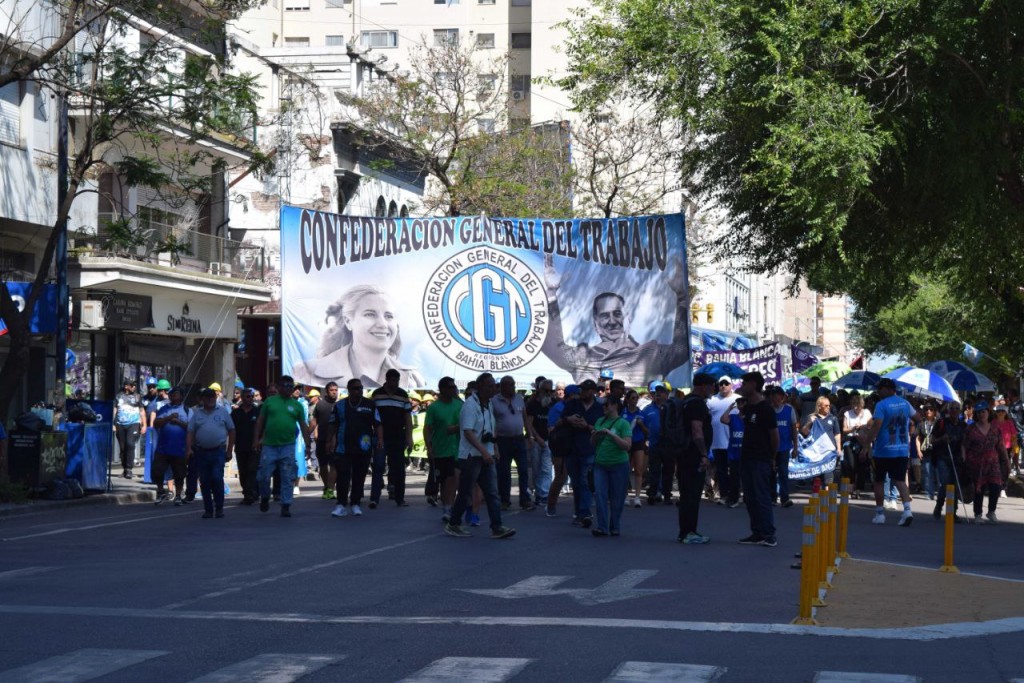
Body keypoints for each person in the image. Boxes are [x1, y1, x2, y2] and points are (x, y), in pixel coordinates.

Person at [541, 255, 690, 386]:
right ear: (595, 325)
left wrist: (682, 298)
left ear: (628, 317)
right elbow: (554, 348)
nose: (612, 321)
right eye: (605, 316)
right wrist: (551, 295)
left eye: (617, 314)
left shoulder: (652, 352)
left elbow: (681, 351)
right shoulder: (582, 356)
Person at [291, 285, 424, 390]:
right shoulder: (306, 371)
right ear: (348, 321)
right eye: (370, 314)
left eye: (389, 316)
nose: (383, 324)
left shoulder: (412, 379)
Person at [444, 372, 516, 539]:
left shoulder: (488, 404)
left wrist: (494, 448)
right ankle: (454, 524)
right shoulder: (470, 405)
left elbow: (490, 429)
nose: (494, 389)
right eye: (490, 386)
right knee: (465, 491)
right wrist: (484, 452)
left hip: (485, 454)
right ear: (481, 387)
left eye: (494, 385)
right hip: (471, 456)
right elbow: (468, 432)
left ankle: (497, 527)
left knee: (491, 492)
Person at [858, 377, 921, 527]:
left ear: (887, 389)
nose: (878, 392)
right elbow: (918, 417)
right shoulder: (905, 403)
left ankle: (880, 514)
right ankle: (907, 511)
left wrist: (866, 446)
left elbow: (876, 426)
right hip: (901, 449)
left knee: (879, 480)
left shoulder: (881, 405)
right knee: (899, 480)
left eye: (880, 389)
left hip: (884, 449)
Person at [254, 375, 312, 518]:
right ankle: (265, 497)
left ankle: (286, 505)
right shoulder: (270, 402)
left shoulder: (297, 405)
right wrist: (256, 439)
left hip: (288, 446)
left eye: (290, 386)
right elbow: (260, 421)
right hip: (269, 446)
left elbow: (304, 426)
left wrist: (308, 445)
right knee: (263, 476)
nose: (288, 389)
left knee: (287, 477)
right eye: (285, 386)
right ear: (279, 387)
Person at [671, 373, 715, 544]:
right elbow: (697, 431)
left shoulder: (686, 401)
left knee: (687, 493)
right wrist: (704, 454)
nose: (713, 388)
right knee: (692, 494)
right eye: (711, 385)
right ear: (703, 385)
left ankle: (686, 531)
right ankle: (688, 532)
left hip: (683, 453)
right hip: (692, 455)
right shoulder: (696, 404)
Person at [737, 371, 779, 547]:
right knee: (750, 497)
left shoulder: (765, 408)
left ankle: (769, 534)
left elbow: (774, 437)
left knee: (761, 496)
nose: (742, 386)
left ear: (753, 384)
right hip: (746, 457)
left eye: (745, 382)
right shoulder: (748, 407)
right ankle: (757, 532)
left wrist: (772, 458)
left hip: (760, 459)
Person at [330, 378, 381, 517]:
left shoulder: (370, 404)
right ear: (349, 389)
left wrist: (380, 439)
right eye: (356, 388)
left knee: (359, 476)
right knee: (343, 476)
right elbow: (333, 425)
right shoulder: (340, 405)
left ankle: (355, 504)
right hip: (343, 448)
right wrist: (330, 441)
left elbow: (377, 424)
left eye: (360, 388)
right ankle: (340, 505)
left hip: (363, 448)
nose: (359, 390)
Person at [558, 378, 604, 528]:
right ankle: (579, 513)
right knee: (577, 482)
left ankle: (585, 513)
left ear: (592, 392)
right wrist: (568, 419)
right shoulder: (572, 404)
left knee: (585, 480)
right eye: (581, 390)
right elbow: (559, 422)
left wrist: (586, 426)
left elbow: (600, 430)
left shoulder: (599, 408)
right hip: (572, 448)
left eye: (584, 390)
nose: (581, 392)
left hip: (589, 448)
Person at [185, 388, 235, 519]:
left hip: (218, 451)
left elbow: (231, 430)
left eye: (212, 397)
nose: (210, 399)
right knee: (205, 481)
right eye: (207, 397)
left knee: (217, 478)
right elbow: (190, 431)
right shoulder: (197, 413)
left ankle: (219, 508)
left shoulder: (222, 412)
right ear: (203, 399)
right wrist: (188, 448)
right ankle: (208, 509)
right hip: (201, 451)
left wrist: (229, 450)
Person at [370, 369, 414, 507]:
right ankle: (374, 499)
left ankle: (400, 499)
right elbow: (372, 415)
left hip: (398, 437)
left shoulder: (403, 394)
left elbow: (408, 418)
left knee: (399, 469)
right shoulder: (377, 395)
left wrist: (409, 437)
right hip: (380, 437)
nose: (395, 383)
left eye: (397, 380)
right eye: (393, 380)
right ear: (387, 379)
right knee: (378, 467)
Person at [590, 397, 633, 537]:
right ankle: (602, 527)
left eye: (607, 405)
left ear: (615, 406)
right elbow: (593, 443)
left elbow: (627, 446)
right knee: (600, 495)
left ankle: (615, 525)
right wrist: (596, 435)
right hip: (600, 464)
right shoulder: (599, 421)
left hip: (619, 465)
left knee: (617, 497)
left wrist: (611, 434)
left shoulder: (623, 423)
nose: (604, 407)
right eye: (603, 405)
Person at [424, 377, 463, 523]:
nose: (454, 389)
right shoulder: (434, 407)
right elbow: (427, 428)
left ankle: (449, 507)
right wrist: (429, 446)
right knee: (444, 481)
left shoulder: (459, 405)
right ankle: (446, 504)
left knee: (453, 478)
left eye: (454, 386)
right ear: (443, 389)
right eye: (451, 387)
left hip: (457, 449)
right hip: (441, 449)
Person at [963, 401, 1008, 524]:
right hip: (976, 463)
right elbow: (964, 446)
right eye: (979, 412)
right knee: (979, 489)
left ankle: (991, 511)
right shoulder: (971, 429)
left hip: (993, 462)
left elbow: (1001, 446)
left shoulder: (995, 429)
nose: (981, 414)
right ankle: (978, 514)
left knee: (995, 487)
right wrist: (964, 459)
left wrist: (1006, 461)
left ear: (988, 412)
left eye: (984, 412)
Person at [492, 375, 532, 511]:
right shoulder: (494, 401)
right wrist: (494, 443)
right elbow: (492, 423)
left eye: (514, 385)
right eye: (510, 385)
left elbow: (525, 418)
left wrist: (530, 436)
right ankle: (505, 500)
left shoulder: (519, 399)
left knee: (523, 470)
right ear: (503, 386)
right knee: (504, 471)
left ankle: (524, 500)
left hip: (519, 439)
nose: (513, 387)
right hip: (503, 440)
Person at [151, 387, 190, 506]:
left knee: (179, 473)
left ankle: (178, 495)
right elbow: (156, 423)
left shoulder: (187, 410)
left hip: (180, 448)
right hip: (163, 447)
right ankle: (161, 491)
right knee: (157, 471)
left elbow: (191, 428)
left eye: (176, 394)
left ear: (182, 396)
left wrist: (178, 422)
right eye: (172, 394)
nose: (173, 396)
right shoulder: (164, 409)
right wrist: (168, 418)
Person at [544, 384, 579, 517]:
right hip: (560, 445)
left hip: (575, 444)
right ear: (571, 395)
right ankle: (550, 505)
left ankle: (579, 510)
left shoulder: (579, 407)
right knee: (561, 476)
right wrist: (566, 421)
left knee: (578, 478)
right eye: (576, 394)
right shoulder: (557, 408)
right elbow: (551, 428)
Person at [931, 402, 966, 519]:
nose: (954, 411)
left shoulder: (963, 425)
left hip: (957, 458)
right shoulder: (941, 423)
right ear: (948, 410)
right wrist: (942, 439)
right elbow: (932, 440)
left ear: (960, 411)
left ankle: (952, 513)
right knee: (946, 483)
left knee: (954, 484)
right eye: (952, 408)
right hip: (943, 457)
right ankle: (939, 505)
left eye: (957, 408)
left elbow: (965, 443)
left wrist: (964, 456)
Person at [524, 378, 554, 509]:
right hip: (536, 441)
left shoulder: (552, 404)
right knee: (536, 469)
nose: (548, 393)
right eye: (545, 390)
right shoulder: (532, 404)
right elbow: (529, 424)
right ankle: (538, 493)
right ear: (539, 390)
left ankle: (543, 494)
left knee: (546, 469)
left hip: (549, 440)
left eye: (550, 390)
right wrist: (535, 437)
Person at [800, 395, 842, 486]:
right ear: (819, 406)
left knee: (828, 477)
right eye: (826, 405)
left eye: (829, 405)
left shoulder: (833, 418)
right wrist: (809, 423)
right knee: (817, 478)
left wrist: (839, 448)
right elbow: (804, 432)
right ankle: (818, 495)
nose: (828, 407)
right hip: (817, 452)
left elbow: (837, 434)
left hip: (829, 451)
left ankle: (826, 497)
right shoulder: (813, 418)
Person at [309, 381, 339, 501]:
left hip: (336, 440)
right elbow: (314, 421)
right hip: (321, 439)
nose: (334, 392)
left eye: (336, 390)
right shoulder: (320, 405)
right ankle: (326, 486)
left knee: (334, 465)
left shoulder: (340, 405)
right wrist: (307, 433)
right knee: (323, 465)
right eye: (332, 390)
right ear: (327, 391)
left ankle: (331, 489)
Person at [230, 388, 261, 505]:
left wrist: (259, 441)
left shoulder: (257, 412)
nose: (250, 399)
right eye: (247, 396)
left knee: (252, 470)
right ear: (242, 398)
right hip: (240, 446)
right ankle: (248, 492)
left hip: (255, 447)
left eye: (252, 396)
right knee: (243, 472)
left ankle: (251, 494)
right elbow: (231, 429)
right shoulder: (236, 413)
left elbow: (264, 428)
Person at [770, 386, 798, 506]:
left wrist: (796, 447)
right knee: (771, 473)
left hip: (784, 447)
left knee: (783, 473)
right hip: (770, 448)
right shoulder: (768, 410)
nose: (775, 400)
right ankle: (772, 498)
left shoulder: (789, 410)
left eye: (777, 397)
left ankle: (784, 498)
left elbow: (793, 429)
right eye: (773, 397)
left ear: (782, 398)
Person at [621, 389, 648, 508]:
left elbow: (648, 432)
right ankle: (625, 495)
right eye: (633, 398)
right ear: (627, 399)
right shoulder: (623, 412)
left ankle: (637, 497)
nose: (635, 400)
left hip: (638, 441)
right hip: (626, 442)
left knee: (639, 469)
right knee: (625, 469)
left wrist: (641, 425)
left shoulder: (641, 413)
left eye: (636, 398)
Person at [842, 393, 873, 498]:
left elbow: (871, 426)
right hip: (851, 440)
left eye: (858, 405)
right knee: (851, 465)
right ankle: (851, 488)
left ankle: (858, 489)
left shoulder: (867, 413)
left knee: (862, 466)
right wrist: (853, 428)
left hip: (863, 441)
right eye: (854, 405)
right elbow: (844, 430)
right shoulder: (847, 413)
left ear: (862, 405)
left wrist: (863, 427)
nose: (855, 407)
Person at [113, 380, 145, 479]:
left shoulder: (137, 397)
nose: (134, 387)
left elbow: (142, 411)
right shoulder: (118, 396)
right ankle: (125, 468)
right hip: (120, 424)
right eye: (132, 385)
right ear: (126, 386)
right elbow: (114, 410)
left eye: (135, 386)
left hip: (134, 424)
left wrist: (144, 425)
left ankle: (129, 469)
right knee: (123, 448)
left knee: (130, 444)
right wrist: (113, 424)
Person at [642, 382, 669, 503]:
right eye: (655, 393)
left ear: (666, 395)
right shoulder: (647, 409)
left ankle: (667, 495)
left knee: (668, 470)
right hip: (654, 443)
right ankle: (653, 493)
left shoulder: (671, 407)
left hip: (669, 444)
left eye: (661, 393)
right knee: (654, 470)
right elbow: (641, 424)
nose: (658, 395)